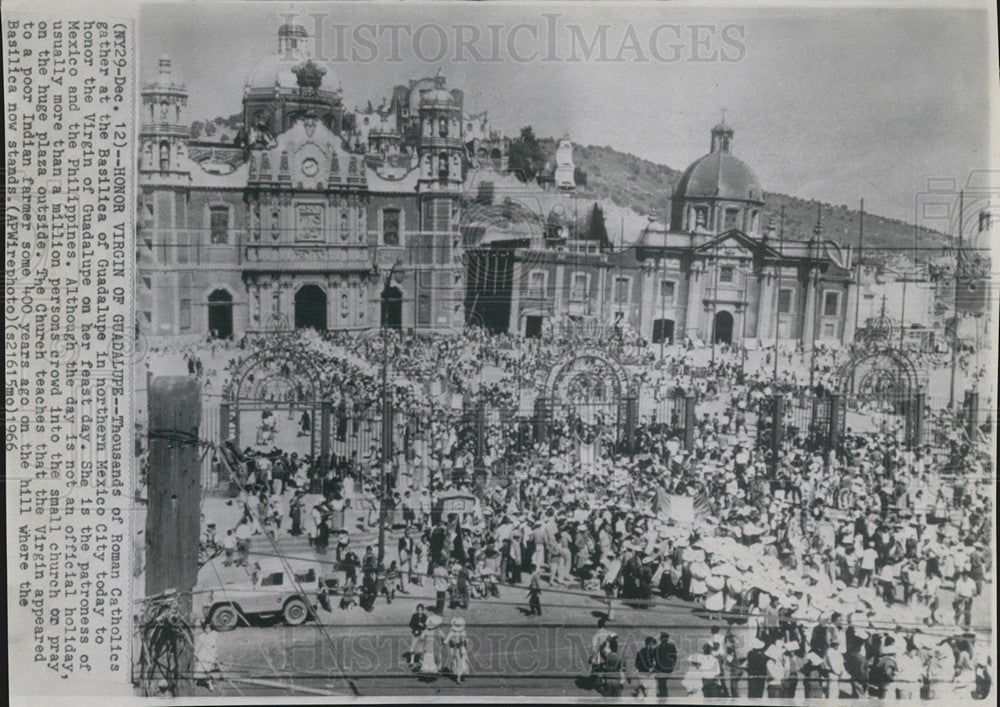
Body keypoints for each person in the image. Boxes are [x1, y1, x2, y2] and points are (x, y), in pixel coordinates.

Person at [193, 622, 220, 692]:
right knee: (201, 668)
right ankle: (198, 681)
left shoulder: (214, 634)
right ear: (204, 628)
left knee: (209, 669)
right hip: (203, 654)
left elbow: (215, 645)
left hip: (211, 654)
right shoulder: (202, 636)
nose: (207, 629)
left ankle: (209, 682)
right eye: (206, 628)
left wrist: (216, 655)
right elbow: (199, 645)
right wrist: (195, 653)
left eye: (209, 627)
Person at [445, 616, 470, 684]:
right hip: (458, 648)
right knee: (459, 661)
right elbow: (465, 641)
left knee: (458, 661)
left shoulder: (453, 632)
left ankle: (458, 675)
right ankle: (459, 674)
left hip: (457, 648)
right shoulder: (460, 632)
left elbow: (446, 641)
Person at [654, 631, 678, 698]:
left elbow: (656, 659)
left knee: (661, 684)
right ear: (667, 638)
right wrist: (672, 666)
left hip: (660, 669)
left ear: (661, 639)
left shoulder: (657, 648)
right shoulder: (672, 646)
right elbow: (675, 657)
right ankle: (664, 696)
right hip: (669, 668)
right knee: (663, 684)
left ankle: (663, 696)